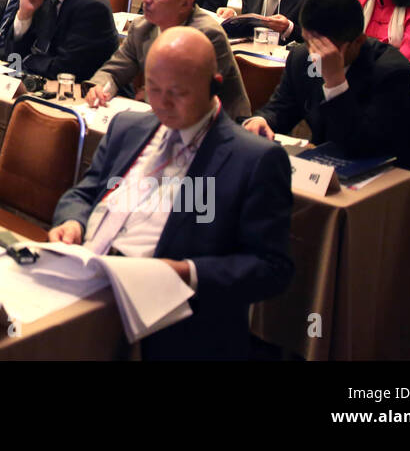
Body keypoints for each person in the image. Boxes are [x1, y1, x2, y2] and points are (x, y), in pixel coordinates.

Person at [50, 28, 293, 361]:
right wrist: (73, 222)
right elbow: (84, 192)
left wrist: (186, 272)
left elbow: (272, 268)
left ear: (213, 85)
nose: (161, 104)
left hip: (175, 323)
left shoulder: (253, 159)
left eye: (177, 93)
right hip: (86, 284)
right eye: (153, 88)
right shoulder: (128, 128)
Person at [244, 0, 410, 173]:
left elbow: (364, 145)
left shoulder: (393, 72)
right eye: (309, 41)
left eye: (325, 47)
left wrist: (336, 82)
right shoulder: (302, 56)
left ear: (358, 41)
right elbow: (281, 108)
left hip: (383, 175)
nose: (315, 54)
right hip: (322, 167)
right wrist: (261, 120)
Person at [88, 0, 251, 120]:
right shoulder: (142, 27)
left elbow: (193, 97)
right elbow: (114, 71)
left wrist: (147, 94)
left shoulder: (206, 35)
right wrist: (100, 87)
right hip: (162, 116)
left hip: (216, 126)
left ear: (186, 3)